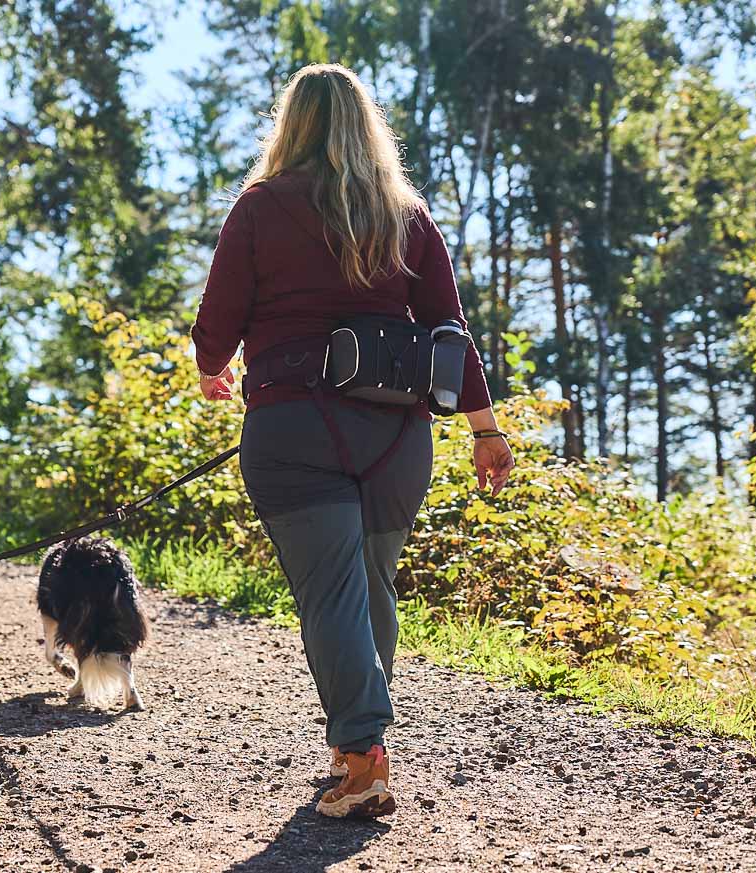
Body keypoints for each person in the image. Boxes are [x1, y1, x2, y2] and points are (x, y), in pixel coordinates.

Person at [191, 63, 515, 820]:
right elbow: (450, 331)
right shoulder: (405, 213)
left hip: (295, 429)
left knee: (336, 591)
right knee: (367, 586)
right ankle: (353, 749)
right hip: (398, 438)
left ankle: (365, 754)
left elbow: (216, 325)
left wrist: (214, 369)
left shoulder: (262, 208)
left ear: (290, 124)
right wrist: (485, 429)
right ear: (367, 126)